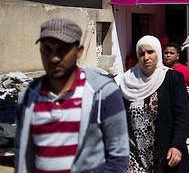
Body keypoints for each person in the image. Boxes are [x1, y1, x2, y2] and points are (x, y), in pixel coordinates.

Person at [15, 18, 129, 172]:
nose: (54, 58)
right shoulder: (29, 96)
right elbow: (23, 154)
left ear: (79, 51)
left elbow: (118, 157)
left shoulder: (103, 93)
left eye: (63, 50)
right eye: (47, 49)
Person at [115, 36, 189, 173]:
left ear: (158, 52)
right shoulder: (126, 82)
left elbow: (183, 116)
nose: (146, 57)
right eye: (142, 53)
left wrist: (177, 145)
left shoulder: (171, 79)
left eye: (150, 52)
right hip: (134, 155)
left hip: (164, 152)